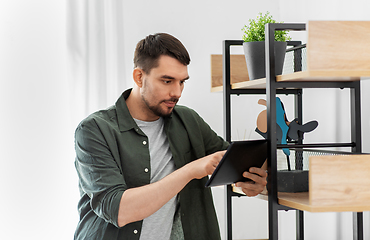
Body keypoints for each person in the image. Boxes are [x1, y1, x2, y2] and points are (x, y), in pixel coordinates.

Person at [74, 33, 268, 240]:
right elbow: (119, 210)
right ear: (139, 77)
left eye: (182, 82)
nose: (177, 92)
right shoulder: (94, 130)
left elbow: (232, 162)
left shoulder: (188, 120)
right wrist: (192, 170)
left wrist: (252, 179)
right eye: (167, 81)